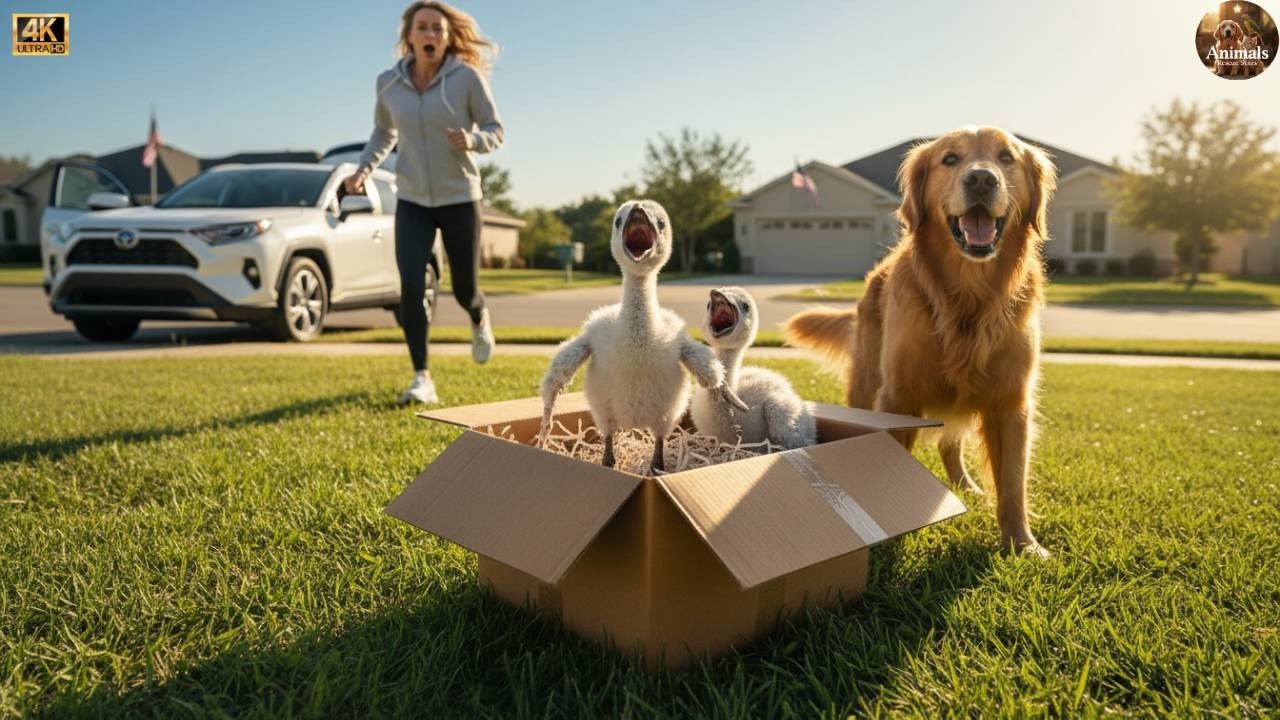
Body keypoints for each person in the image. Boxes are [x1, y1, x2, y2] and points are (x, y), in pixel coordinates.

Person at [346, 0, 503, 405]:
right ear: (409, 36)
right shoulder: (387, 83)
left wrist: (472, 140)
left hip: (460, 196)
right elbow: (384, 133)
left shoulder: (465, 78)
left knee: (465, 288)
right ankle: (422, 377)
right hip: (412, 197)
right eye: (423, 28)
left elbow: (495, 129)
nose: (431, 35)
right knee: (411, 286)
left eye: (438, 28)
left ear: (448, 37)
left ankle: (478, 315)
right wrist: (363, 170)